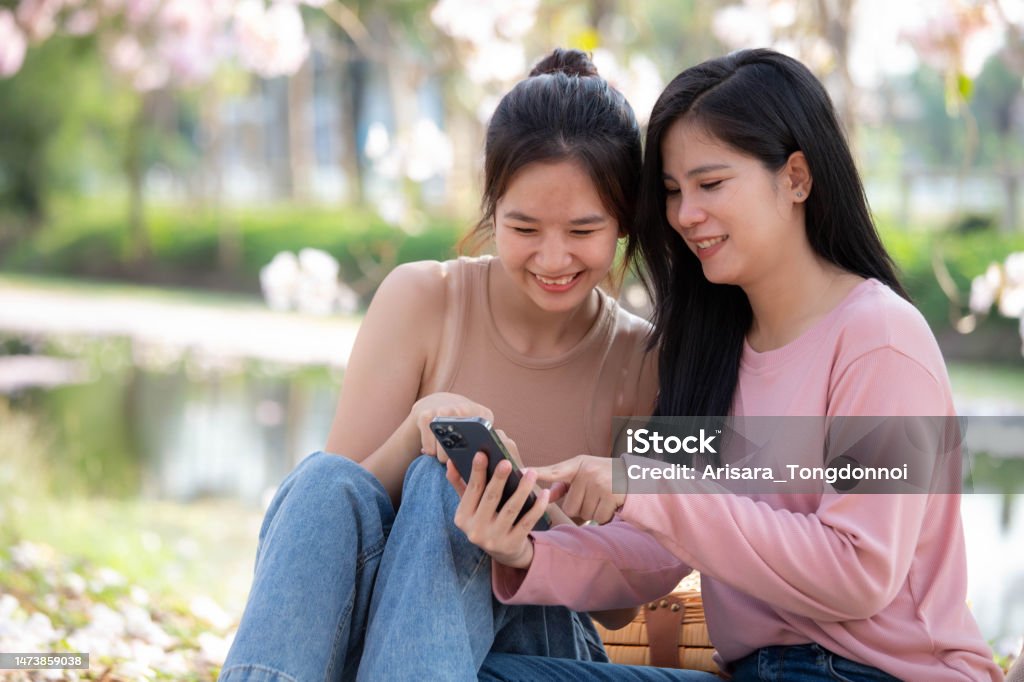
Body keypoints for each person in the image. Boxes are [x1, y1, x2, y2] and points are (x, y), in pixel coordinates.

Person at [451, 49, 1003, 681]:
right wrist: (526, 551)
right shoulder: (705, 348)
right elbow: (657, 554)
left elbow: (860, 572)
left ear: (796, 177)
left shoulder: (880, 338)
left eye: (711, 185)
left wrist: (648, 487)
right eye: (672, 192)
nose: (687, 215)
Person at [219, 48, 661, 681]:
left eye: (583, 231)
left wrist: (529, 528)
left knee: (444, 490)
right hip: (379, 637)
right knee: (327, 481)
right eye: (525, 227)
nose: (554, 257)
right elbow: (338, 516)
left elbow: (622, 610)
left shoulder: (641, 359)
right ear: (491, 209)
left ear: (623, 222)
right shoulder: (422, 299)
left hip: (537, 650)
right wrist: (415, 431)